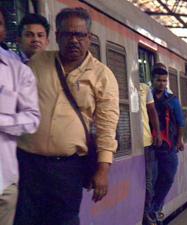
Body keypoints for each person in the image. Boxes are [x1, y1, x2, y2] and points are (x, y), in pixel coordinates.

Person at [15, 8, 120, 225]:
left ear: (89, 38)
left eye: (80, 35)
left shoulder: (103, 76)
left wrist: (102, 170)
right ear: (57, 37)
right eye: (67, 34)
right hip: (26, 164)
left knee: (64, 221)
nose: (74, 40)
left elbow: (106, 126)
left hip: (67, 169)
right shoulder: (37, 64)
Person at [0, 8, 40, 225]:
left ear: (4, 31)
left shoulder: (18, 70)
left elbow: (32, 118)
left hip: (3, 183)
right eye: (29, 34)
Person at [151, 62, 185, 224]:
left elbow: (180, 122)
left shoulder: (172, 100)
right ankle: (153, 211)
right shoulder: (147, 97)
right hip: (151, 146)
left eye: (164, 81)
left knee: (168, 177)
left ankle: (156, 208)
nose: (162, 84)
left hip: (169, 146)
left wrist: (179, 140)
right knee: (154, 179)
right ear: (153, 80)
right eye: (159, 80)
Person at [140, 83, 162, 225]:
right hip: (126, 139)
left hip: (145, 141)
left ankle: (146, 213)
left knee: (147, 180)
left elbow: (152, 111)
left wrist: (157, 133)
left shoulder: (144, 88)